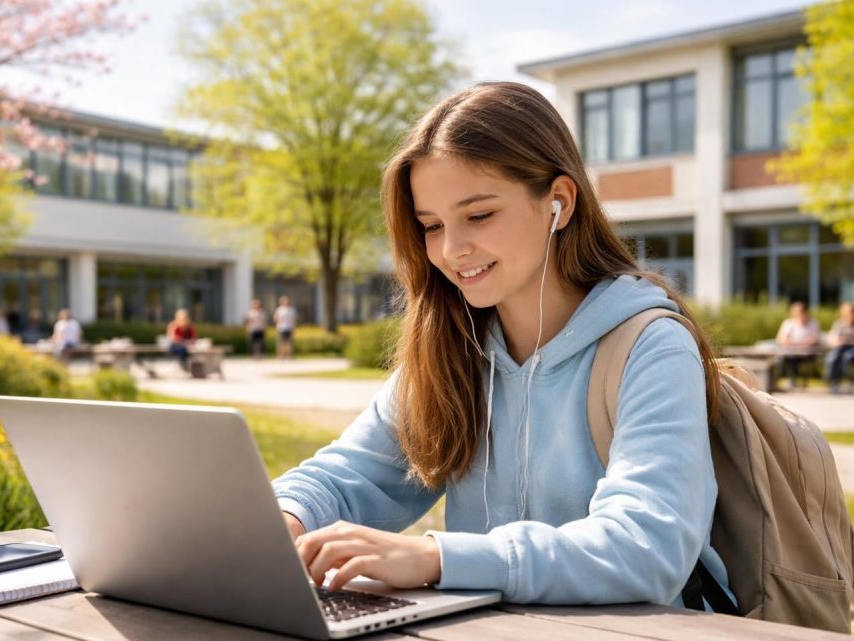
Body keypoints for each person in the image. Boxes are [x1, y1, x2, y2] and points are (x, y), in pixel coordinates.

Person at [271, 82, 732, 612]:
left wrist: (436, 558)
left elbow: (645, 547)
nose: (451, 249)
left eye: (479, 215)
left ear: (558, 202)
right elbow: (347, 477)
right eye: (432, 226)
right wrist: (284, 518)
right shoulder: (452, 347)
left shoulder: (651, 346)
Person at [774, 301, 820, 390]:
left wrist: (800, 343)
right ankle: (791, 380)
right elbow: (781, 338)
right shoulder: (788, 323)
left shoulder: (812, 323)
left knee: (801, 360)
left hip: (808, 353)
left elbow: (815, 339)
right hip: (791, 352)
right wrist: (793, 343)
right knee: (787, 359)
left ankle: (800, 381)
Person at [824, 301, 854, 394]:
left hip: (852, 349)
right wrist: (837, 341)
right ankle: (833, 381)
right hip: (840, 348)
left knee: (847, 357)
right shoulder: (839, 324)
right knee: (832, 358)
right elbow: (832, 338)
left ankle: (849, 381)